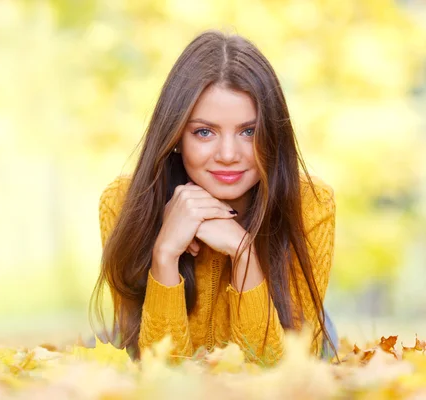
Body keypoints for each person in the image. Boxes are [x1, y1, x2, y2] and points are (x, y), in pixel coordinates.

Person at [89, 30, 338, 366]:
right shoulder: (125, 204)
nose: (228, 154)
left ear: (273, 134)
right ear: (176, 135)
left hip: (293, 337)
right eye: (204, 132)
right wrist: (165, 254)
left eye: (249, 132)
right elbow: (160, 371)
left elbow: (275, 372)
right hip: (141, 338)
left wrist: (243, 252)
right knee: (114, 343)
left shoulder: (310, 203)